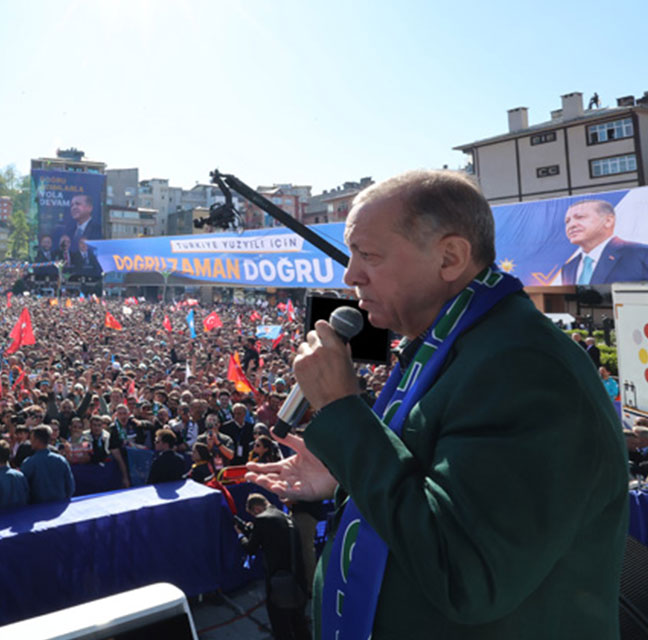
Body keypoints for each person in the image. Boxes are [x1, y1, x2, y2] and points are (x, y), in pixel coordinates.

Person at [246, 170, 627, 639]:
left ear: (450, 257)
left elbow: (465, 573)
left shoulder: (523, 368)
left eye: (369, 255)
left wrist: (344, 413)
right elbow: (427, 488)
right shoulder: (456, 343)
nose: (350, 274)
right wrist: (345, 470)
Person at [236, 493, 311, 640]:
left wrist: (240, 535)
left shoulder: (262, 520)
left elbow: (250, 548)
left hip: (279, 581)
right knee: (299, 623)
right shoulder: (286, 517)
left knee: (281, 625)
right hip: (298, 578)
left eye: (253, 514)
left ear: (257, 509)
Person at [560, 198, 648, 285]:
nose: (571, 225)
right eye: (567, 221)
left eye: (580, 217)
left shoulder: (640, 254)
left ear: (608, 221)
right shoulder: (568, 268)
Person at [21, 425, 74, 504]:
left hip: (38, 510)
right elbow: (70, 487)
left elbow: (23, 490)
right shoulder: (61, 460)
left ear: (37, 440)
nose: (30, 441)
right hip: (59, 507)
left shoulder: (29, 463)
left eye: (31, 439)